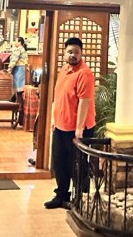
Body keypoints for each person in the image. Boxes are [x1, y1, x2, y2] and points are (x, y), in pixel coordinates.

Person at [45, 36, 96, 209]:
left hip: (78, 128)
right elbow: (58, 96)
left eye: (76, 52)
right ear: (64, 53)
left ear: (81, 54)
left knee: (78, 163)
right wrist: (54, 118)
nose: (73, 55)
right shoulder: (64, 70)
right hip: (61, 125)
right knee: (59, 161)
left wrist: (79, 128)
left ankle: (81, 198)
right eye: (70, 52)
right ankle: (61, 195)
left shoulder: (85, 73)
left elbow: (84, 101)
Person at [9, 36, 29, 101]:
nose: (14, 42)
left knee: (17, 84)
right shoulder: (23, 49)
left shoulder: (18, 49)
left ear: (19, 42)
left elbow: (14, 59)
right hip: (22, 67)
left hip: (18, 68)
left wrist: (10, 68)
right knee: (20, 84)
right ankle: (18, 98)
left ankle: (17, 98)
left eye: (16, 41)